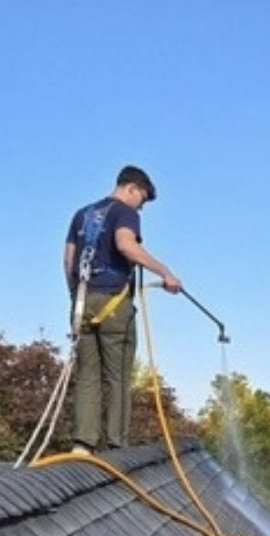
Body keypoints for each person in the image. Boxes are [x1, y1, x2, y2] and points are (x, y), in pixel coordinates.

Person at [63, 165, 183, 453]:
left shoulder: (82, 214)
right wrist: (165, 273)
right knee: (117, 377)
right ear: (131, 188)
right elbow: (126, 246)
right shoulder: (124, 212)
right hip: (114, 303)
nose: (140, 210)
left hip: (83, 302)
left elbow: (69, 260)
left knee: (88, 375)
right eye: (141, 200)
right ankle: (117, 447)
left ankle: (83, 444)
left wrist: (75, 296)